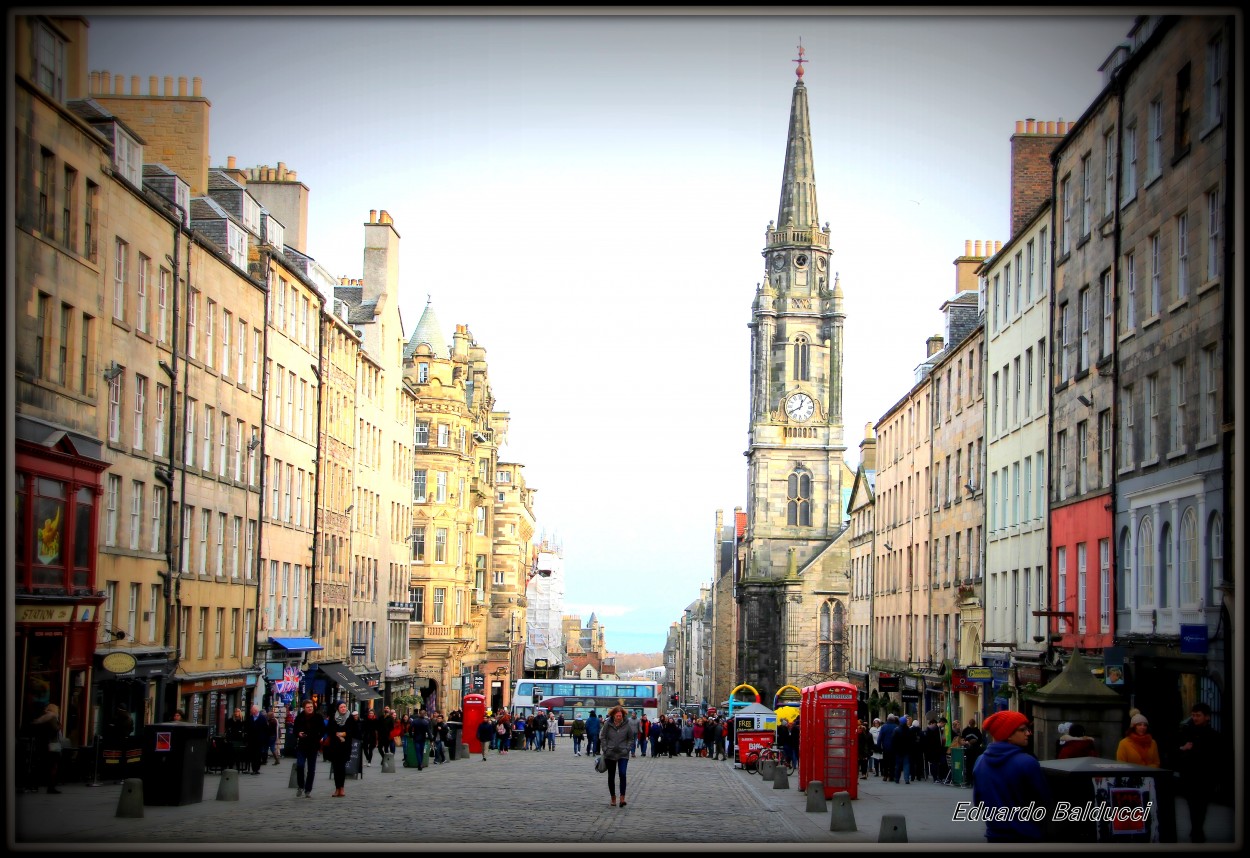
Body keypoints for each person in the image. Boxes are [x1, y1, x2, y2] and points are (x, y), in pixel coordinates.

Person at [971, 710, 1051, 842]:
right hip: (1026, 835)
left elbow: (979, 802)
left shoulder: (980, 761)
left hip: (995, 834)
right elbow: (1043, 799)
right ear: (1007, 734)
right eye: (1022, 730)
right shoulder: (1027, 762)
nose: (1028, 733)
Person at [1176, 701, 1221, 843]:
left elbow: (1217, 758)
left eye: (1198, 715)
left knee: (1201, 806)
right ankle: (1196, 830)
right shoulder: (1187, 732)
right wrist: (1183, 749)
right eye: (1193, 715)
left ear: (1207, 717)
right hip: (1189, 777)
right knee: (1192, 805)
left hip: (1206, 778)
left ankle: (1197, 829)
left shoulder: (1214, 736)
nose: (1195, 718)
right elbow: (1177, 753)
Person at [600, 705, 637, 807]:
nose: (619, 718)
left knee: (622, 774)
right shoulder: (608, 724)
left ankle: (622, 798)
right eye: (617, 716)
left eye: (620, 716)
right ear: (613, 715)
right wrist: (605, 749)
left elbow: (631, 738)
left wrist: (627, 749)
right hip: (610, 753)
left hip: (623, 754)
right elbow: (603, 737)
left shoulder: (627, 724)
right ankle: (613, 797)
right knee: (611, 776)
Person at [291, 699, 326, 798]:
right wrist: (299, 733)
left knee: (311, 769)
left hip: (313, 746)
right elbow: (294, 731)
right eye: (308, 707)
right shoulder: (299, 717)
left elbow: (323, 730)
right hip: (302, 745)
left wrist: (319, 738)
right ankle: (300, 786)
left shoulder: (318, 717)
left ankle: (308, 789)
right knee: (300, 765)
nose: (310, 709)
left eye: (311, 707)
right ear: (304, 708)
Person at [325, 701, 360, 797]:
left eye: (345, 707)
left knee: (342, 767)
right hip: (335, 745)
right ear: (338, 708)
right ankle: (337, 788)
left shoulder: (350, 718)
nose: (343, 708)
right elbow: (329, 729)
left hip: (345, 745)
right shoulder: (333, 717)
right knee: (336, 767)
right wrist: (337, 734)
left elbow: (354, 731)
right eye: (341, 707)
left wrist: (344, 734)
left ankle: (342, 788)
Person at [31, 703, 63, 794]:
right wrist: (59, 725)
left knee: (42, 764)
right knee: (54, 766)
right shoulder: (52, 717)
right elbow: (55, 729)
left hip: (43, 744)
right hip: (53, 744)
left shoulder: (42, 718)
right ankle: (51, 787)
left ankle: (35, 785)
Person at [226, 707, 250, 772]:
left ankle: (238, 767)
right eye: (235, 712)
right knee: (232, 754)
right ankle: (231, 767)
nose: (236, 713)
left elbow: (245, 730)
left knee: (238, 754)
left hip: (239, 739)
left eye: (238, 712)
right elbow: (228, 729)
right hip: (232, 739)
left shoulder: (242, 721)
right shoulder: (230, 720)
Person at [247, 704, 269, 774]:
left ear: (255, 711)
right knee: (253, 754)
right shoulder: (250, 718)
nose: (251, 711)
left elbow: (266, 729)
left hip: (259, 739)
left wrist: (264, 738)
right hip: (252, 739)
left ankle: (257, 768)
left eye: (252, 710)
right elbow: (247, 728)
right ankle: (254, 768)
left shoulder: (262, 718)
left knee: (258, 754)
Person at [877, 714, 899, 781]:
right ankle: (891, 776)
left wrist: (879, 747)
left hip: (885, 747)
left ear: (887, 719)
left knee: (885, 762)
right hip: (894, 748)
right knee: (892, 763)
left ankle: (885, 775)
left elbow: (879, 738)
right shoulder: (896, 727)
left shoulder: (884, 727)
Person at [893, 715, 914, 783]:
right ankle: (906, 779)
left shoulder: (896, 730)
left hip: (898, 750)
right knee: (906, 765)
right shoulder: (909, 730)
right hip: (907, 750)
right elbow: (911, 741)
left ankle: (897, 779)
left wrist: (894, 749)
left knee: (898, 765)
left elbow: (893, 740)